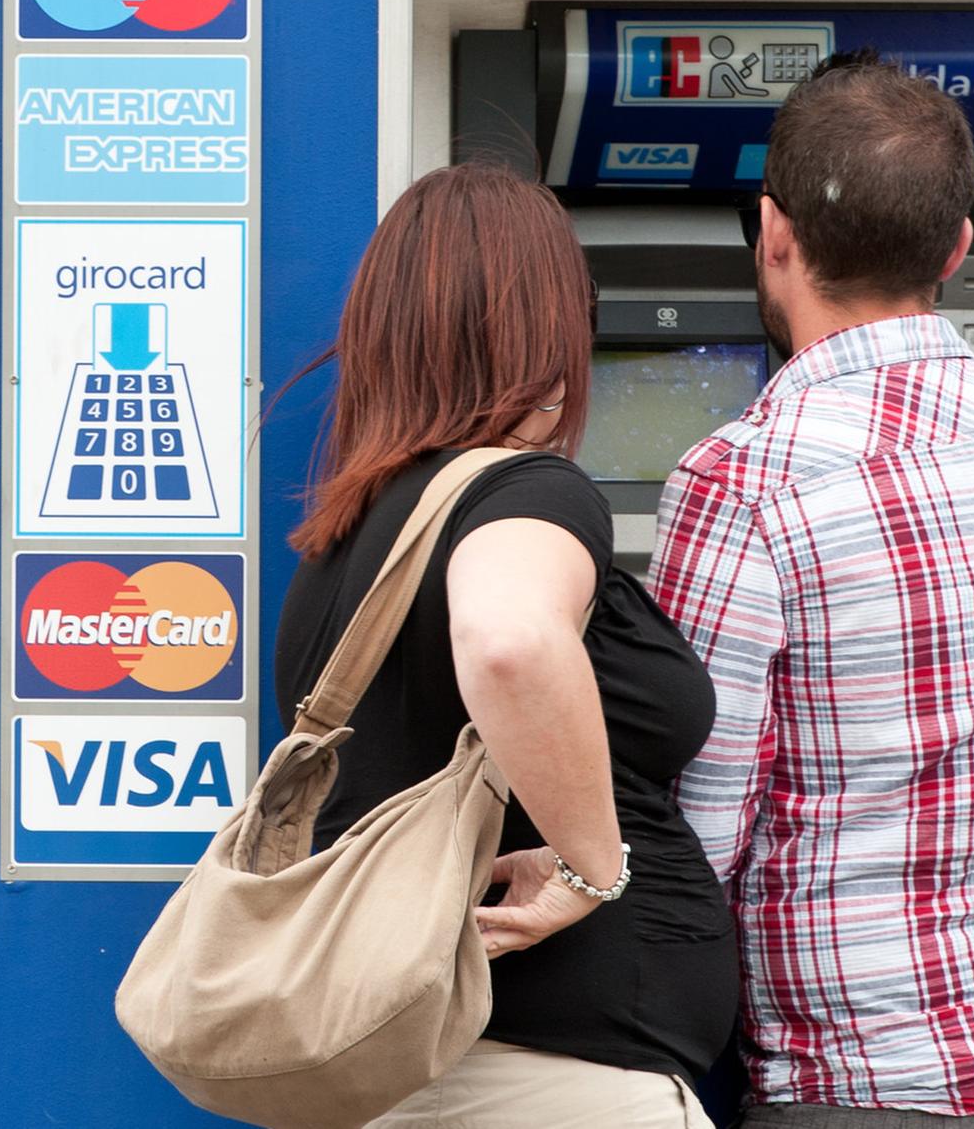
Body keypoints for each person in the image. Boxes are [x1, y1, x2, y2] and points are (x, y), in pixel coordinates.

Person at [650, 52, 974, 1127]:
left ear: (774, 232)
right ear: (958, 247)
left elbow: (696, 828)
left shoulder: (743, 481)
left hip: (868, 1080)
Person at [274, 162, 735, 1128]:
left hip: (416, 1073)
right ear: (550, 325)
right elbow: (511, 639)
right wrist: (588, 868)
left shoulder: (343, 548)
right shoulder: (528, 488)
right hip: (554, 1087)